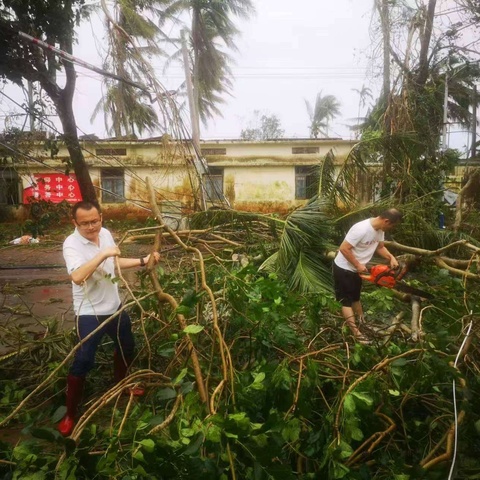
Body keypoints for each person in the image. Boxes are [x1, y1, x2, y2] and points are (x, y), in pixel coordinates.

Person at [58, 200, 160, 436]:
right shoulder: (71, 244)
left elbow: (113, 264)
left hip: (114, 306)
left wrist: (143, 261)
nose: (91, 227)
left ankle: (121, 386)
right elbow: (77, 276)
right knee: (84, 360)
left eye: (95, 221)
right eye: (85, 223)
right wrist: (102, 253)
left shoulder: (105, 233)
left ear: (101, 218)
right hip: (88, 311)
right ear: (75, 223)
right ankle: (70, 414)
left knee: (127, 347)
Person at [333, 208, 402, 343]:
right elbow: (343, 248)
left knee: (356, 297)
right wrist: (358, 264)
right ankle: (356, 333)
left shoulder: (380, 230)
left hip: (357, 269)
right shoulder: (361, 229)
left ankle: (362, 322)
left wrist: (391, 257)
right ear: (386, 221)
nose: (391, 229)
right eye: (392, 226)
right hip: (344, 268)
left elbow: (380, 247)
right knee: (345, 300)